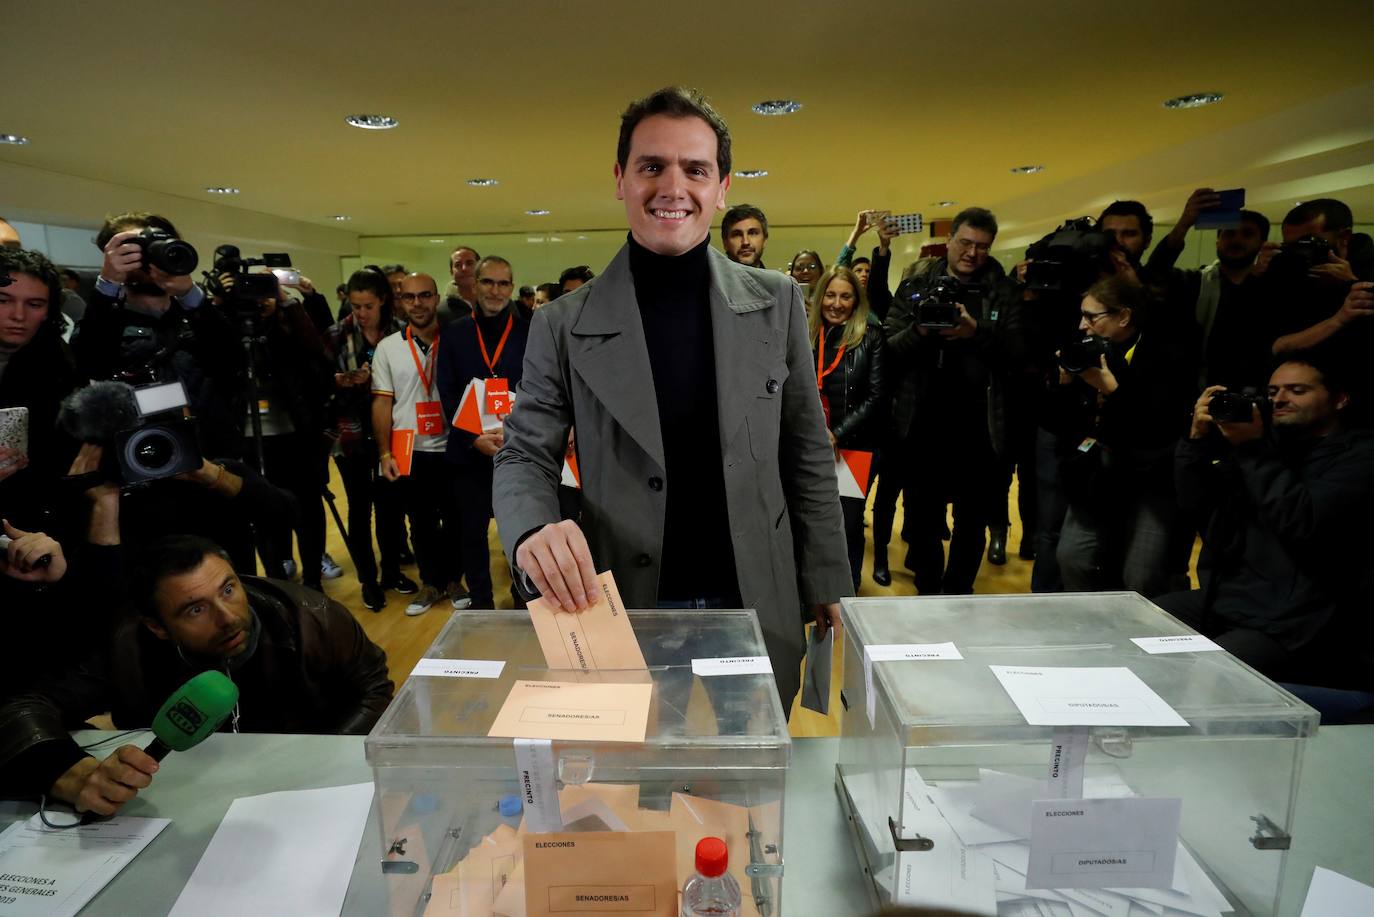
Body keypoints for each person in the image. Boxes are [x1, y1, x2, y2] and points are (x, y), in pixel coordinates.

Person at [493, 86, 850, 708]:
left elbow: (806, 451)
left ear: (722, 186)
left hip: (754, 591)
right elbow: (525, 453)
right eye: (652, 166)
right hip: (627, 600)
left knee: (749, 776)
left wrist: (825, 577)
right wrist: (532, 528)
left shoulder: (778, 302)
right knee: (644, 782)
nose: (673, 186)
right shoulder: (562, 322)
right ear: (620, 179)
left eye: (695, 169)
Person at [0, 535, 394, 814]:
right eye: (195, 609)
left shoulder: (313, 619)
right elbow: (25, 705)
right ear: (156, 627)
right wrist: (69, 772)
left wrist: (318, 762)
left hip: (307, 792)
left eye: (228, 589)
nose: (228, 617)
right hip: (186, 795)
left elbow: (374, 687)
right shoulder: (127, 645)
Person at [1155, 352, 1373, 704]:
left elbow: (1301, 522)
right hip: (1229, 598)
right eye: (1272, 392)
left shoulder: (1360, 458)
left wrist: (1252, 449)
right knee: (1142, 624)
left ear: (1339, 399)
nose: (1280, 400)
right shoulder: (1267, 446)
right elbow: (1197, 504)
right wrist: (1196, 441)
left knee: (1208, 673)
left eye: (1297, 390)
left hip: (1298, 621)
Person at [883, 207, 1023, 594]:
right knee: (922, 519)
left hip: (980, 428)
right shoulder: (916, 282)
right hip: (922, 423)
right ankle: (928, 592)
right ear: (949, 240)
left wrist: (975, 331)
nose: (972, 253)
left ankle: (960, 594)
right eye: (965, 242)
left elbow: (1017, 354)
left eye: (982, 246)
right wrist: (922, 329)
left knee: (971, 521)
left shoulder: (1002, 289)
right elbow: (890, 350)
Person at [1050, 275, 1195, 597]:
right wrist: (1064, 386)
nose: (1082, 326)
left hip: (1151, 480)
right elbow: (1058, 423)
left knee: (1142, 576)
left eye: (1091, 317)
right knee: (1073, 558)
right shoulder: (1087, 353)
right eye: (1081, 315)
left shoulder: (1166, 353)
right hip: (1096, 475)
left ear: (1124, 316)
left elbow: (1158, 425)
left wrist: (1111, 390)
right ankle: (1090, 631)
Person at [72, 212, 241, 458]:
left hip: (211, 458)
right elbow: (91, 361)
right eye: (138, 248)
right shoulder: (105, 319)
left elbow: (231, 359)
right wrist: (108, 283)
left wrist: (189, 294)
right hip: (142, 458)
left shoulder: (197, 315)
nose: (149, 258)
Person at [438, 256, 530, 609]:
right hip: (469, 449)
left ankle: (522, 597)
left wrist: (517, 436)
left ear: (511, 287)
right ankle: (481, 602)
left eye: (503, 283)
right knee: (472, 533)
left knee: (519, 530)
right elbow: (446, 390)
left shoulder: (529, 329)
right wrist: (473, 436)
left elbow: (540, 389)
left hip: (519, 449)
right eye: (488, 282)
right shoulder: (456, 332)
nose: (496, 290)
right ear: (474, 285)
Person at [372, 272, 466, 616]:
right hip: (411, 448)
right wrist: (384, 452)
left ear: (436, 297)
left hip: (455, 444)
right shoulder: (388, 348)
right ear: (400, 301)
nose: (417, 303)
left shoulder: (457, 340)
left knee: (457, 519)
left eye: (424, 295)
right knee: (421, 522)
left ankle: (455, 580)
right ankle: (430, 582)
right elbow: (382, 403)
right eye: (409, 297)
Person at [327, 269, 414, 610]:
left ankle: (391, 570)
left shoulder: (398, 333)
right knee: (359, 510)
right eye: (355, 305)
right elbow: (318, 382)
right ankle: (367, 578)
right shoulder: (335, 335)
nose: (361, 313)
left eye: (368, 306)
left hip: (391, 433)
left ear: (382, 302)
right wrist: (340, 381)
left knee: (391, 508)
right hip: (349, 435)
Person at [1143, 189, 1274, 390]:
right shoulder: (1193, 282)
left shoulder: (1270, 288)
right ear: (1217, 240)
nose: (1236, 240)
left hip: (1253, 392)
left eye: (1247, 234)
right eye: (1229, 233)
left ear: (1262, 243)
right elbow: (1154, 273)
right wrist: (1185, 223)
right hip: (1194, 392)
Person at [809, 266, 885, 592]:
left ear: (856, 301)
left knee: (848, 525)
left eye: (845, 296)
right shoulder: (805, 335)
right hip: (809, 446)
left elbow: (876, 397)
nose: (836, 303)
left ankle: (848, 592)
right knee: (812, 522)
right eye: (830, 294)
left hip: (853, 448)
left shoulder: (871, 337)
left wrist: (835, 433)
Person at [0, 248, 82, 530]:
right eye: (3, 300)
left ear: (49, 310)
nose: (18, 315)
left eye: (34, 304)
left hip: (37, 518)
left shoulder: (59, 363)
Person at [835, 210, 898, 320]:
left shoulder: (880, 297)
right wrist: (856, 232)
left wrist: (884, 246)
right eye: (858, 271)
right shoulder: (843, 300)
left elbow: (879, 276)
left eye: (868, 271)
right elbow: (839, 271)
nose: (864, 274)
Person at [720, 203, 769, 268]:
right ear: (725, 243)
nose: (745, 242)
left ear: (765, 240)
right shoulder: (710, 278)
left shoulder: (777, 278)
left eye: (753, 233)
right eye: (737, 235)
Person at [444, 246, 480, 318]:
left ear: (480, 268)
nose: (464, 269)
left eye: (469, 263)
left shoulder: (496, 303)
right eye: (458, 265)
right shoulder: (441, 312)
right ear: (451, 272)